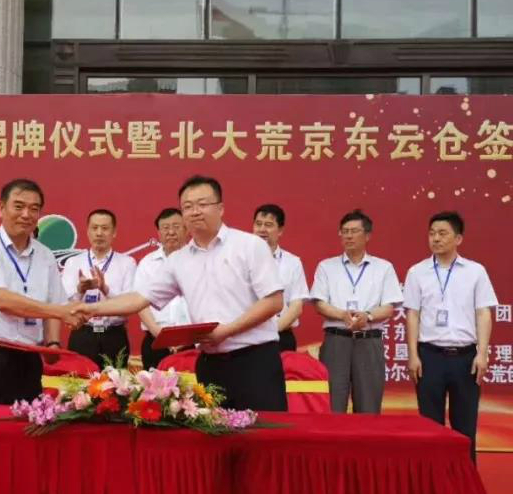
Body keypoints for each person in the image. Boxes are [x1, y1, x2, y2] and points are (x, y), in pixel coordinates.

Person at [79, 175, 287, 411]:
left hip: (256, 361)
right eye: (188, 206)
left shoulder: (249, 246)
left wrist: (227, 331)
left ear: (220, 208)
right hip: (210, 365)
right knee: (216, 431)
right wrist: (90, 309)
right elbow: (139, 298)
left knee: (265, 430)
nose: (195, 212)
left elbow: (273, 302)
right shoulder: (179, 260)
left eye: (202, 204)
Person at [0, 178, 84, 404]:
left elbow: (54, 302)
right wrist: (60, 311)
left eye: (34, 209)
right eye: (19, 206)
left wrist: (52, 343)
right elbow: (2, 300)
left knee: (28, 423)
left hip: (28, 359)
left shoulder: (45, 255)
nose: (26, 214)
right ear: (1, 208)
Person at [404, 211, 497, 462]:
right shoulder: (417, 272)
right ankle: (431, 479)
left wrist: (482, 353)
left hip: (465, 358)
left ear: (458, 239)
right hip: (429, 356)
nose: (436, 239)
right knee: (429, 426)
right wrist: (413, 355)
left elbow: (483, 313)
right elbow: (412, 315)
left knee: (464, 426)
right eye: (432, 233)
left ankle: (464, 479)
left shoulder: (475, 271)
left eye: (442, 233)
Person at [310, 209, 403, 414]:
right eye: (344, 231)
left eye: (354, 231)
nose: (349, 236)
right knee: (333, 405)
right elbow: (319, 303)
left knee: (368, 406)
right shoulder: (326, 266)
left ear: (367, 235)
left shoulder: (383, 268)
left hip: (368, 341)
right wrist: (342, 315)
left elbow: (389, 307)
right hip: (336, 341)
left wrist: (367, 316)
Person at [60, 209, 137, 367]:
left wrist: (105, 289)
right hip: (82, 334)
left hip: (114, 335)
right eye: (94, 228)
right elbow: (64, 304)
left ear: (114, 232)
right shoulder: (73, 262)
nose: (99, 233)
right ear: (88, 231)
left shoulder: (127, 263)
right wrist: (80, 290)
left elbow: (130, 304)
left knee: (117, 382)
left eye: (105, 228)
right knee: (79, 381)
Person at [135, 208, 191, 370]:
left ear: (186, 229)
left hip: (192, 342)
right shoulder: (147, 263)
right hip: (156, 340)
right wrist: (159, 333)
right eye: (166, 228)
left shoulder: (199, 259)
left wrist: (189, 338)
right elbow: (140, 303)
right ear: (158, 233)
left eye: (176, 227)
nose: (171, 232)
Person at [252, 204, 310, 352]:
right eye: (258, 224)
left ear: (280, 230)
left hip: (281, 336)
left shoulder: (293, 262)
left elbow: (296, 307)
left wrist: (272, 331)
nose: (262, 229)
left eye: (268, 225)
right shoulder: (240, 260)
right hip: (247, 336)